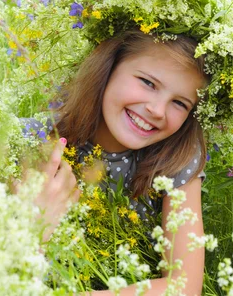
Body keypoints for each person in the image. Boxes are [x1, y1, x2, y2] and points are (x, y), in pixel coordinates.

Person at [46, 29, 209, 295]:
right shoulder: (41, 141)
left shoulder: (176, 161)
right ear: (108, 68)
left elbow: (184, 286)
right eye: (148, 83)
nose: (157, 110)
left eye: (179, 103)